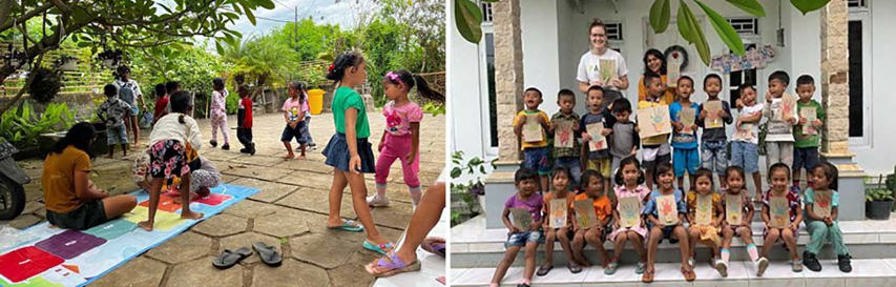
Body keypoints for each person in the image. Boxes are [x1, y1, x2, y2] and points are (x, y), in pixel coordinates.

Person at [322, 51, 393, 254]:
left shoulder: (340, 92)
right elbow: (350, 126)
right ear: (351, 70)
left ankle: (334, 218)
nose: (365, 73)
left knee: (338, 183)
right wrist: (354, 154)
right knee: (360, 194)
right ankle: (373, 236)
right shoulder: (352, 97)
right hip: (350, 146)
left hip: (340, 142)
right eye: (363, 69)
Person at [367, 70, 444, 208]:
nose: (385, 92)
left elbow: (415, 131)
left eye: (387, 88)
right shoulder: (388, 107)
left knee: (410, 177)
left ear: (400, 87)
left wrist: (413, 151)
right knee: (380, 169)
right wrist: (383, 139)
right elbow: (389, 125)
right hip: (390, 143)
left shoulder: (412, 109)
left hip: (407, 145)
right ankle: (381, 197)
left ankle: (418, 204)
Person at [42, 122, 137, 230]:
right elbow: (82, 193)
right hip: (72, 215)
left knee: (90, 184)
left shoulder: (54, 152)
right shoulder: (80, 156)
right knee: (130, 200)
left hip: (52, 214)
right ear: (89, 140)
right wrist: (102, 195)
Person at [139, 91, 204, 231]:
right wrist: (190, 149)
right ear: (189, 107)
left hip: (155, 147)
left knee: (157, 181)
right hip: (174, 146)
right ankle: (186, 211)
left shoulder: (163, 119)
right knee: (185, 178)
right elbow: (197, 143)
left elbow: (153, 136)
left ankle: (150, 221)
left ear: (170, 106)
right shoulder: (188, 120)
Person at [488, 168, 543, 287]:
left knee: (530, 250)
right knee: (509, 255)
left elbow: (547, 215)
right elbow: (504, 216)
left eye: (532, 182)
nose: (529, 185)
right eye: (525, 183)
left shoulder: (538, 198)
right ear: (517, 184)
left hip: (533, 231)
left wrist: (538, 223)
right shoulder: (512, 200)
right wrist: (511, 228)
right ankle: (494, 282)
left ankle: (526, 280)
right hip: (518, 232)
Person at [641, 162, 692, 283]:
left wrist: (680, 218)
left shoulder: (678, 193)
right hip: (660, 225)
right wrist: (656, 222)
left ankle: (685, 264)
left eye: (669, 175)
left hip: (673, 226)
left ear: (674, 177)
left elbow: (682, 210)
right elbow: (647, 213)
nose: (667, 178)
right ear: (657, 179)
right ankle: (650, 266)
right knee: (654, 234)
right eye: (663, 175)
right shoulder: (654, 194)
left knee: (682, 232)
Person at [802, 162, 852, 272]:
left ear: (829, 181)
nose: (814, 179)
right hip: (813, 220)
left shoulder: (833, 194)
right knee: (821, 227)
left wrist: (831, 218)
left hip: (828, 219)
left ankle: (843, 255)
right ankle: (809, 254)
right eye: (813, 175)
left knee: (834, 227)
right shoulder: (809, 192)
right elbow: (809, 213)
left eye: (819, 177)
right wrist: (822, 219)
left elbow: (834, 213)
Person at [606, 156, 649, 275]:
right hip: (622, 222)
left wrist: (643, 218)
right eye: (627, 172)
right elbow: (614, 209)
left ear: (639, 174)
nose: (630, 175)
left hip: (638, 223)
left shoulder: (643, 191)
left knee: (633, 234)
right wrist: (617, 219)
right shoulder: (618, 190)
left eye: (634, 172)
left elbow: (649, 208)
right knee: (622, 236)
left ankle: (642, 258)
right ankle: (615, 259)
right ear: (621, 174)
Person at [719, 166, 765, 276]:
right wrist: (722, 221)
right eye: (732, 180)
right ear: (726, 181)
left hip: (741, 222)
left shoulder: (745, 194)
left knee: (745, 233)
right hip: (728, 223)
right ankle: (724, 264)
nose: (735, 183)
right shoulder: (723, 196)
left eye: (738, 180)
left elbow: (751, 210)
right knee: (727, 234)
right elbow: (719, 211)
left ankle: (756, 262)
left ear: (743, 181)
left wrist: (747, 221)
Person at [759, 163, 803, 274]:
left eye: (782, 179)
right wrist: (767, 221)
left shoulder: (793, 195)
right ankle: (762, 257)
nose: (779, 183)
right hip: (772, 224)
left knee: (786, 233)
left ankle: (795, 257)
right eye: (775, 179)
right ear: (770, 180)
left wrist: (795, 223)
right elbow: (763, 212)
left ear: (788, 180)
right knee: (773, 233)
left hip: (788, 224)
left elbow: (799, 214)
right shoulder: (768, 195)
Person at [576, 18, 629, 111]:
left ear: (606, 37)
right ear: (590, 37)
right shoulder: (585, 58)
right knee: (596, 125)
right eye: (594, 35)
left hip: (614, 99)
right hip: (594, 100)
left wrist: (620, 84)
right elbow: (581, 86)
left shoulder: (616, 56)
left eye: (601, 35)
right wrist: (590, 87)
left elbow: (626, 83)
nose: (598, 38)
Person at [536, 167, 578, 276]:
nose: (560, 181)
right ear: (552, 181)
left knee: (560, 234)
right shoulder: (547, 197)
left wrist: (574, 225)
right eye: (557, 178)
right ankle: (548, 261)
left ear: (568, 180)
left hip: (566, 224)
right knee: (550, 236)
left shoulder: (572, 196)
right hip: (552, 224)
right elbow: (545, 213)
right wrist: (545, 225)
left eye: (563, 178)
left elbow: (574, 213)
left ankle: (571, 260)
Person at [685, 168, 726, 277]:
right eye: (700, 183)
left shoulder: (715, 197)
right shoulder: (691, 196)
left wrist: (717, 222)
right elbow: (687, 211)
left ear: (711, 184)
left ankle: (715, 256)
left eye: (706, 183)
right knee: (694, 232)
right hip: (697, 223)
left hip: (711, 223)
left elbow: (722, 213)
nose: (703, 186)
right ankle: (691, 255)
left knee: (713, 234)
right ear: (695, 184)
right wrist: (690, 220)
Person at [570, 170, 612, 269]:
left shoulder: (604, 199)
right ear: (585, 186)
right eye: (595, 183)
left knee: (589, 235)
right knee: (577, 238)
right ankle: (578, 256)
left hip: (597, 227)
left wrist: (602, 223)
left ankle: (603, 253)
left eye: (600, 183)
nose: (599, 186)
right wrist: (575, 224)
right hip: (583, 224)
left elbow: (609, 216)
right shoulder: (579, 198)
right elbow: (572, 213)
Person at [698, 74, 733, 189]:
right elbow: (698, 123)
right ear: (704, 88)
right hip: (706, 140)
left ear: (721, 87)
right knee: (706, 166)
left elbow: (730, 120)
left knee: (722, 166)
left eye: (716, 85)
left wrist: (725, 115)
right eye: (709, 85)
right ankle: (708, 188)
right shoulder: (702, 106)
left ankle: (723, 187)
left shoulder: (724, 104)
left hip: (721, 140)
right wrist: (701, 117)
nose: (713, 87)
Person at [513, 87, 551, 192]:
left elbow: (549, 132)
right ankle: (534, 193)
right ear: (524, 98)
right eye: (528, 96)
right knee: (530, 173)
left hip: (542, 147)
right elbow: (516, 132)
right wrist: (520, 123)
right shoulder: (520, 115)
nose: (531, 98)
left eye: (535, 96)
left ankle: (545, 193)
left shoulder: (542, 114)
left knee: (543, 172)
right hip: (528, 148)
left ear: (541, 100)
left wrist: (543, 122)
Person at [730, 84, 764, 198]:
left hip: (751, 141)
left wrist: (742, 119)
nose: (748, 98)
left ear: (755, 93)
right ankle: (742, 189)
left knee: (753, 167)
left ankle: (759, 190)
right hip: (737, 140)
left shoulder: (759, 106)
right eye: (744, 96)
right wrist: (739, 102)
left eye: (750, 94)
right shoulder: (742, 107)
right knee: (737, 167)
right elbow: (739, 104)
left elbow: (756, 118)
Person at [639, 72, 672, 190]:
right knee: (649, 168)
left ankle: (663, 190)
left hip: (663, 140)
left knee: (664, 167)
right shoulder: (642, 105)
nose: (660, 87)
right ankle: (649, 191)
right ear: (647, 88)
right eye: (657, 85)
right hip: (649, 142)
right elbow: (639, 121)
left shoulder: (663, 103)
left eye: (661, 85)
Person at [792, 75, 825, 188]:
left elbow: (822, 118)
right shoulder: (795, 106)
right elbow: (791, 119)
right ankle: (796, 187)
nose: (806, 94)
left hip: (812, 143)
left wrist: (818, 123)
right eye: (803, 91)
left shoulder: (816, 106)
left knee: (811, 167)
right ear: (797, 91)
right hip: (798, 143)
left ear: (814, 89)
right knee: (796, 166)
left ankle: (810, 186)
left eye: (809, 91)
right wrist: (797, 121)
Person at [762, 71, 798, 170]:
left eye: (774, 85)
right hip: (772, 137)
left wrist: (794, 120)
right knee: (772, 162)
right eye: (769, 86)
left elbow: (795, 115)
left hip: (786, 136)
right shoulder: (768, 100)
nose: (771, 89)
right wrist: (769, 103)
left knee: (787, 162)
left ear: (784, 86)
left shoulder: (790, 99)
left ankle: (787, 183)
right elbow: (765, 114)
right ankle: (772, 183)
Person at [579, 86, 612, 194]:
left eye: (598, 98)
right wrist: (584, 135)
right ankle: (594, 195)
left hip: (605, 152)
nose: (595, 101)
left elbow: (614, 127)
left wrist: (609, 131)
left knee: (606, 176)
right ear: (587, 100)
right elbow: (581, 132)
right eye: (592, 98)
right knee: (593, 175)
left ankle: (605, 195)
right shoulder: (585, 118)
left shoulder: (607, 115)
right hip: (591, 153)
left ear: (603, 100)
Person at [669, 76, 700, 190]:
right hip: (678, 144)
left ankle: (692, 189)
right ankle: (680, 189)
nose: (685, 89)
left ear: (692, 90)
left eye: (688, 86)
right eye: (682, 86)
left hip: (692, 144)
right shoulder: (673, 107)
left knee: (693, 169)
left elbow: (699, 122)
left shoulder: (696, 107)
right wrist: (674, 124)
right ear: (677, 89)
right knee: (679, 170)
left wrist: (696, 126)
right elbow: (666, 120)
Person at [548, 89, 582, 186]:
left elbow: (580, 135)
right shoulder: (555, 117)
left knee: (577, 177)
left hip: (573, 154)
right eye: (564, 102)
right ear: (558, 103)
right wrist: (552, 128)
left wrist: (578, 129)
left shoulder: (576, 117)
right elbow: (550, 135)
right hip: (559, 153)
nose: (567, 104)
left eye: (570, 102)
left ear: (574, 103)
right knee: (559, 177)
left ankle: (576, 193)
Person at [605, 98, 639, 174]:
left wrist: (635, 148)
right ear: (614, 114)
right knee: (614, 174)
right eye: (618, 115)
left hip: (629, 155)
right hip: (616, 155)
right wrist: (611, 105)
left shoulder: (632, 126)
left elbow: (636, 139)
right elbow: (605, 114)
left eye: (623, 115)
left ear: (630, 112)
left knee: (629, 173)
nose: (621, 117)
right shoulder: (613, 123)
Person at [114, 65, 144, 147]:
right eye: (123, 73)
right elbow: (115, 96)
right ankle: (126, 141)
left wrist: (143, 104)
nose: (125, 74)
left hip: (133, 104)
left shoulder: (133, 83)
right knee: (125, 124)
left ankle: (136, 141)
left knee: (135, 124)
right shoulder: (116, 84)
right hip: (122, 106)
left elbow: (139, 94)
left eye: (126, 72)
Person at [97, 84, 130, 158]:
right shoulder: (120, 102)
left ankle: (110, 154)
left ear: (105, 93)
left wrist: (104, 121)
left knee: (111, 138)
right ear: (116, 92)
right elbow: (128, 108)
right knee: (123, 137)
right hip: (120, 122)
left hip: (110, 124)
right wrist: (124, 117)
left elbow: (99, 112)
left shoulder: (106, 103)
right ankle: (125, 153)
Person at [282, 81, 309, 160]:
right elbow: (285, 112)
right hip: (290, 124)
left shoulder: (302, 101)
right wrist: (288, 121)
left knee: (302, 140)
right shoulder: (288, 101)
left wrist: (296, 122)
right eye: (288, 90)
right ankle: (290, 153)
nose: (289, 92)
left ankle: (303, 154)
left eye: (291, 89)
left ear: (297, 91)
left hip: (300, 123)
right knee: (285, 138)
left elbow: (303, 113)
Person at [209, 77, 230, 150]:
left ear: (217, 85)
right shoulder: (224, 93)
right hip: (223, 113)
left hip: (215, 112)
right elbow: (228, 93)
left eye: (214, 84)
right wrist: (223, 109)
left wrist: (221, 107)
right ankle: (226, 142)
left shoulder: (214, 93)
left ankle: (214, 140)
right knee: (224, 127)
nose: (213, 85)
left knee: (214, 127)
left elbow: (217, 101)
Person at [236, 85, 255, 155]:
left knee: (240, 135)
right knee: (248, 134)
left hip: (243, 121)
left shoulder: (241, 101)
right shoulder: (250, 101)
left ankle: (249, 144)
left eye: (239, 92)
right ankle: (248, 148)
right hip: (250, 120)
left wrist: (240, 123)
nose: (238, 94)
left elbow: (241, 112)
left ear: (243, 92)